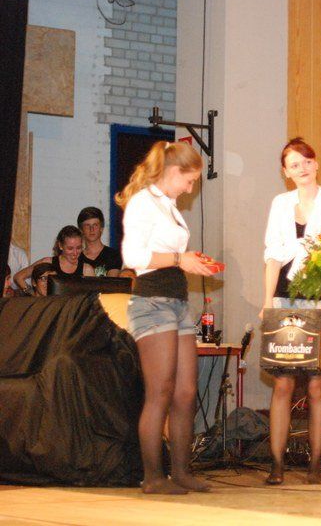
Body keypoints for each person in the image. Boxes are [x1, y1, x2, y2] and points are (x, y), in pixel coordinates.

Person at [116, 141, 217, 495]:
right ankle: (153, 477)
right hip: (151, 302)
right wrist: (178, 260)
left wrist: (189, 259)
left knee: (186, 391)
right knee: (160, 390)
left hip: (177, 301)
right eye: (189, 181)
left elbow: (169, 253)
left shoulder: (169, 206)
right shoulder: (142, 202)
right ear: (174, 172)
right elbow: (133, 256)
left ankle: (182, 471)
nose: (190, 189)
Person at [261, 137, 321, 485]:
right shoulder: (280, 203)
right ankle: (276, 464)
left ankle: (315, 464)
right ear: (286, 172)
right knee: (282, 384)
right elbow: (272, 255)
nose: (302, 169)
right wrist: (267, 301)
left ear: (316, 163)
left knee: (316, 387)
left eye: (307, 161)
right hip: (284, 299)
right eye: (294, 165)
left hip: (317, 300)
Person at [13, 226, 94, 290]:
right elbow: (19, 277)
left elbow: (92, 297)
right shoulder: (47, 262)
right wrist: (32, 295)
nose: (75, 253)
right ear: (60, 246)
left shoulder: (87, 269)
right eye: (70, 248)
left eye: (79, 248)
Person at [78, 206, 123, 277]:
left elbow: (112, 281)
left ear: (101, 228)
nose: (91, 229)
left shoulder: (113, 255)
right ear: (81, 230)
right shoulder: (76, 257)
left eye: (95, 225)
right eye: (87, 225)